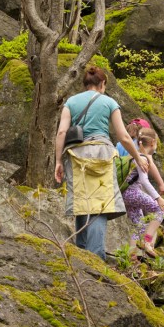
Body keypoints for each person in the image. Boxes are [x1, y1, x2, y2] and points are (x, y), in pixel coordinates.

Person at [54, 66, 148, 260]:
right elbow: (123, 135)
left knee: (82, 202)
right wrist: (137, 157)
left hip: (76, 155)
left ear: (85, 84)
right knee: (100, 206)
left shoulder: (71, 102)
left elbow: (62, 132)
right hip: (102, 155)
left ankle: (80, 254)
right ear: (102, 83)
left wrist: (58, 161)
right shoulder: (109, 102)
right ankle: (95, 257)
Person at [122, 128, 164, 259]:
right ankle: (147, 241)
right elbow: (144, 180)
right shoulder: (142, 158)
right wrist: (158, 198)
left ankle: (132, 258)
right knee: (160, 209)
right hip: (133, 193)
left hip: (125, 195)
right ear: (153, 142)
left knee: (138, 225)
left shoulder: (134, 156)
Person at [116, 118, 164, 196]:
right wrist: (161, 184)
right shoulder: (141, 144)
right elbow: (150, 165)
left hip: (120, 184)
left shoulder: (119, 144)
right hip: (135, 184)